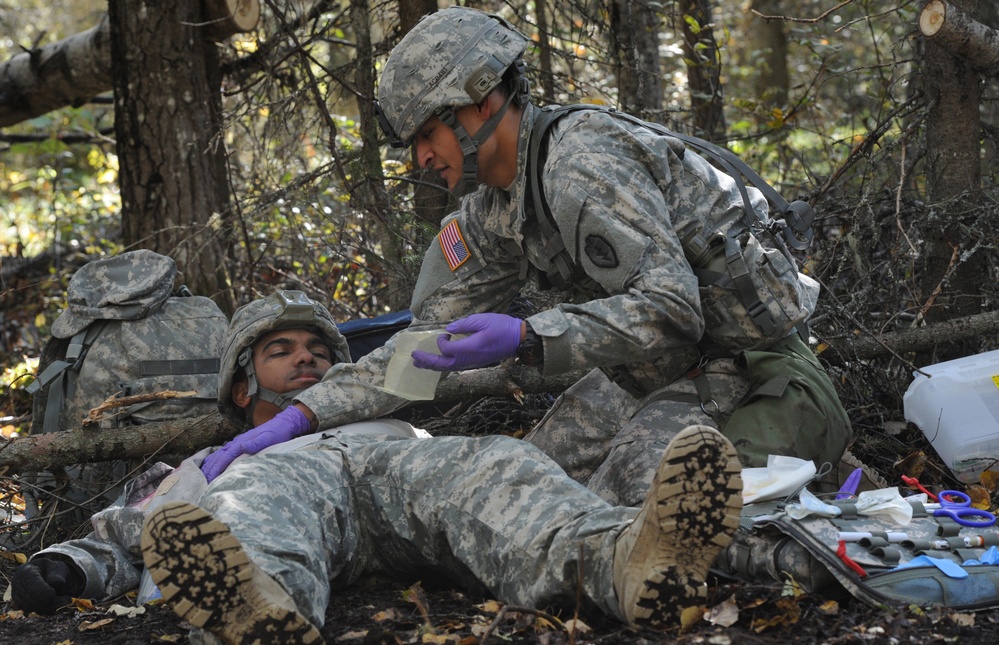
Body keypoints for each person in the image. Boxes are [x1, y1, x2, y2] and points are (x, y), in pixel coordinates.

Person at [201, 6, 851, 509]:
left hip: (754, 368)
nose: (422, 158)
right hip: (655, 371)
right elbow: (414, 354)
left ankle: (833, 481)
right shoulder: (493, 212)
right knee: (524, 490)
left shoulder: (580, 162)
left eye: (427, 132)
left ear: (481, 101)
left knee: (635, 507)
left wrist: (524, 337)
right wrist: (294, 418)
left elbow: (672, 309)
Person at [12, 291, 745, 643]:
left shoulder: (387, 415)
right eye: (282, 349)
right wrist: (65, 569)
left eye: (319, 349)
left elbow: (464, 466)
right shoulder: (213, 461)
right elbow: (132, 532)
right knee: (252, 503)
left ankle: (625, 561)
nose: (308, 357)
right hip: (289, 493)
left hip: (396, 477)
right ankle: (264, 614)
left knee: (490, 460)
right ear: (242, 385)